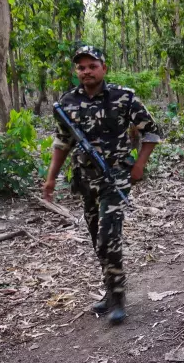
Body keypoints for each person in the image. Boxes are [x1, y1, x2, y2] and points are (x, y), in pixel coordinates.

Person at [43, 46, 161, 325]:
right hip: (85, 179)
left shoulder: (124, 97)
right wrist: (51, 178)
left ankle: (119, 299)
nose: (86, 72)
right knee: (98, 238)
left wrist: (139, 165)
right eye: (81, 67)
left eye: (92, 66)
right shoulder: (67, 103)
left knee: (109, 236)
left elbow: (152, 132)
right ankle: (110, 292)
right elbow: (62, 143)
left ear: (103, 68)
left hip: (115, 176)